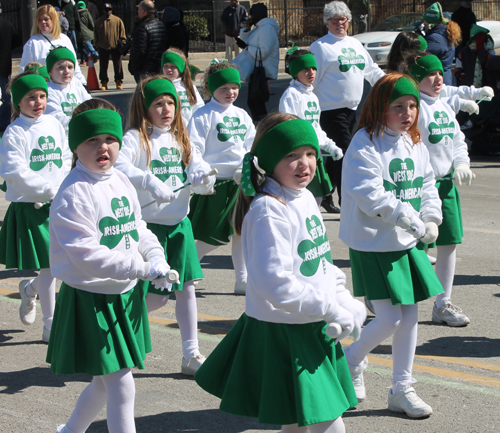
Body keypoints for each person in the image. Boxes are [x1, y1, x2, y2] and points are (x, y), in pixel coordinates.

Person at [195, 113, 362, 433]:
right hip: (284, 330)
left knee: (297, 421)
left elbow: (322, 262)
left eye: (310, 154)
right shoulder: (268, 209)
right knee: (328, 422)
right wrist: (329, 308)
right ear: (270, 161)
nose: (305, 164)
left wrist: (344, 296)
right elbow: (274, 283)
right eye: (292, 156)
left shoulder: (304, 199)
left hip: (309, 322)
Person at [46, 98, 171, 433]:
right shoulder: (73, 193)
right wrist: (140, 268)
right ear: (76, 146)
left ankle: (70, 431)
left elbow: (137, 227)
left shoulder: (119, 180)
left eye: (111, 139)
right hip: (92, 298)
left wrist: (155, 256)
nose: (103, 147)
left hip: (122, 293)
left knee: (105, 382)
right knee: (120, 383)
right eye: (92, 140)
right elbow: (86, 254)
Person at [339, 73, 443, 418]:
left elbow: (427, 184)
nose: (407, 112)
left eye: (412, 105)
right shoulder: (364, 143)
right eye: (398, 106)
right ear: (380, 107)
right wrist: (413, 222)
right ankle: (351, 361)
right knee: (388, 319)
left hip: (407, 242)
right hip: (374, 244)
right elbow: (370, 195)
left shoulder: (414, 142)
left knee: (410, 317)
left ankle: (402, 388)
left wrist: (431, 217)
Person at [115, 77, 215, 375]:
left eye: (171, 102)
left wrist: (202, 175)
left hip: (179, 225)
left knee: (186, 289)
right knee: (156, 297)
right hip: (150, 229)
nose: (166, 109)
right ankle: (121, 334)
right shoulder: (136, 137)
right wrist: (148, 181)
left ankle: (191, 354)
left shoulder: (182, 138)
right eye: (158, 103)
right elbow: (118, 164)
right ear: (144, 107)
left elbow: (202, 172)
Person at [0, 72, 71, 342]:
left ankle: (30, 290)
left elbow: (65, 155)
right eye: (30, 97)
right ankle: (50, 324)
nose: (38, 101)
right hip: (33, 207)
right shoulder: (15, 132)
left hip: (58, 203)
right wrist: (46, 189)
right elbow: (13, 171)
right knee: (50, 265)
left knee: (54, 265)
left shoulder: (53, 123)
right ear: (18, 103)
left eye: (42, 95)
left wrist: (63, 185)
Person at [408, 54, 475, 326]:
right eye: (429, 75)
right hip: (421, 187)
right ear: (416, 78)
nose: (437, 79)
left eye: (439, 73)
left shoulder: (444, 106)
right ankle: (390, 294)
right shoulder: (414, 108)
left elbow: (458, 140)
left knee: (448, 244)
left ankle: (442, 304)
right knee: (414, 246)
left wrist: (461, 162)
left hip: (445, 186)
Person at [187, 61, 256, 295]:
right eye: (224, 88)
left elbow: (251, 145)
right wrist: (201, 170)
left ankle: (242, 280)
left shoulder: (242, 114)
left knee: (241, 232)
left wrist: (248, 166)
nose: (231, 92)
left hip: (239, 184)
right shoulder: (203, 115)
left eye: (234, 87)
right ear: (211, 88)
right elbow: (193, 147)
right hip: (215, 184)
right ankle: (188, 268)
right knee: (212, 235)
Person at [310, 1, 385, 213]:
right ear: (326, 22)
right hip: (329, 112)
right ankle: (347, 201)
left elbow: (372, 71)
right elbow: (311, 81)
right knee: (346, 153)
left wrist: (390, 84)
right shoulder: (321, 47)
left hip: (353, 110)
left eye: (343, 19)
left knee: (338, 155)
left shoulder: (355, 44)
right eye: (335, 20)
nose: (340, 24)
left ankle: (326, 193)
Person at [279, 49, 343, 205]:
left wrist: (331, 146)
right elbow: (289, 127)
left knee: (316, 198)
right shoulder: (291, 95)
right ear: (295, 71)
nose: (311, 72)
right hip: (300, 156)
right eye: (305, 69)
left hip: (314, 154)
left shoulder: (312, 96)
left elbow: (316, 128)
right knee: (300, 199)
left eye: (313, 68)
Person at [19, 5, 86, 86]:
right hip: (46, 88)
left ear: (54, 20)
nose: (43, 22)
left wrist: (83, 84)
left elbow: (75, 66)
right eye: (40, 20)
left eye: (46, 19)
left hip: (67, 87)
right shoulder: (32, 43)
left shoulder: (64, 39)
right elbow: (24, 71)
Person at [234, 2, 280, 122]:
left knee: (256, 102)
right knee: (253, 102)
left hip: (261, 71)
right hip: (255, 71)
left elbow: (263, 52)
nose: (251, 17)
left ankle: (263, 127)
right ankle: (260, 127)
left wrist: (247, 47)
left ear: (258, 14)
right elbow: (247, 40)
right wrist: (247, 28)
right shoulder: (260, 28)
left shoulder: (267, 29)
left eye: (252, 14)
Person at [45, 47, 92, 134]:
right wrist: (85, 123)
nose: (66, 71)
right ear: (50, 71)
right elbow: (57, 118)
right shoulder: (48, 90)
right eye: (60, 67)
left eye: (70, 67)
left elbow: (91, 105)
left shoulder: (76, 84)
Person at [161, 48, 204, 125]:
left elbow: (198, 108)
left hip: (187, 129)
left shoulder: (189, 87)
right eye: (166, 66)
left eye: (172, 66)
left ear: (180, 68)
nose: (168, 69)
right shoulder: (161, 86)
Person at [423, 2, 462, 85]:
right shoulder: (445, 34)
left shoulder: (434, 39)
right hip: (444, 78)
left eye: (425, 24)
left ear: (431, 25)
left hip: (437, 82)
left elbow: (421, 56)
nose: (424, 26)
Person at [128, 0, 167, 83]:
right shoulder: (162, 25)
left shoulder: (142, 28)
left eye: (138, 10)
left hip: (145, 70)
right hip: (159, 68)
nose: (137, 12)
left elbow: (138, 52)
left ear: (143, 11)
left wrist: (133, 68)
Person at [94, 3, 126, 90]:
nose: (108, 11)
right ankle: (104, 82)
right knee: (103, 65)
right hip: (103, 46)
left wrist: (122, 43)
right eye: (106, 9)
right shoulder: (98, 22)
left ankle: (118, 81)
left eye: (109, 9)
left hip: (115, 46)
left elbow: (122, 33)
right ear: (103, 10)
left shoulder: (117, 20)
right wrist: (96, 43)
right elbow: (95, 34)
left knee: (118, 65)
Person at [0, 14, 22, 134]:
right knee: (5, 95)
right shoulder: (6, 23)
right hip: (4, 64)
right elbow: (17, 40)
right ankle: (4, 121)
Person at [76, 0, 99, 66]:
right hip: (89, 33)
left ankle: (94, 53)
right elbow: (91, 22)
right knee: (87, 46)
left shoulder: (77, 14)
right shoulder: (87, 12)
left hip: (82, 34)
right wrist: (93, 29)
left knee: (87, 47)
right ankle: (89, 58)